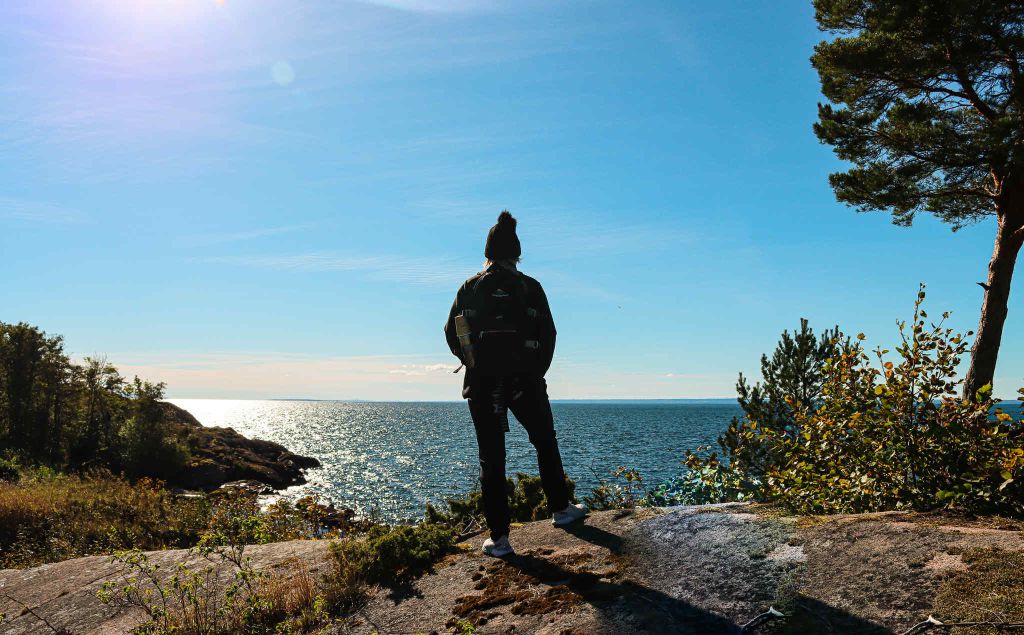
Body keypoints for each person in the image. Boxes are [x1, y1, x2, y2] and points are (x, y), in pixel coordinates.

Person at [444, 210, 587, 558]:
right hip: (526, 381)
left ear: (488, 251)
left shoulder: (470, 287)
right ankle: (562, 510)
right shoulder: (530, 287)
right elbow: (549, 335)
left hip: (482, 383)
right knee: (544, 442)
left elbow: (451, 333)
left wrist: (471, 362)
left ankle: (500, 539)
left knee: (491, 460)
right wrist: (536, 373)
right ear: (516, 252)